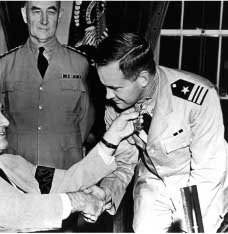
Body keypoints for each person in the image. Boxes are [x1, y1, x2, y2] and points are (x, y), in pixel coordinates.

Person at [0, 79, 138, 232]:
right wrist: (77, 202)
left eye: (2, 112)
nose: (5, 122)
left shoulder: (12, 164)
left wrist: (111, 139)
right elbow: (5, 211)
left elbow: (66, 182)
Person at [87, 32, 228, 232]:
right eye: (105, 87)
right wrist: (106, 192)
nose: (108, 95)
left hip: (197, 185)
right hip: (153, 180)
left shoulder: (198, 98)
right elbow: (124, 163)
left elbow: (208, 172)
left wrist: (187, 225)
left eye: (115, 87)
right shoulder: (116, 104)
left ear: (143, 78)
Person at [0, 1, 94, 193]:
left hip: (65, 171)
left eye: (51, 12)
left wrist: (62, 144)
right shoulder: (5, 65)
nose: (44, 20)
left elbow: (86, 119)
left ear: (60, 16)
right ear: (24, 15)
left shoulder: (81, 64)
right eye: (36, 11)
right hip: (17, 175)